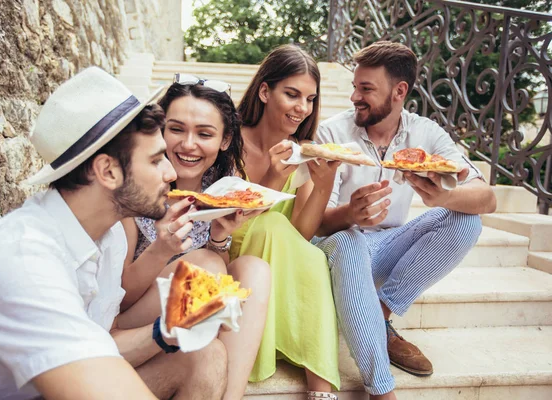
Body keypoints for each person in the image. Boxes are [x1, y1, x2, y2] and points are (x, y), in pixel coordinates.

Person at [0, 67, 228, 400]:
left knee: (206, 355)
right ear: (108, 171)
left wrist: (168, 330)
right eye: (156, 161)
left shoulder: (108, 237)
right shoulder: (21, 259)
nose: (171, 172)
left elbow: (105, 340)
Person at [314, 41, 497, 399]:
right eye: (354, 86)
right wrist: (350, 214)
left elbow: (487, 197)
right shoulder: (332, 133)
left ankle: (379, 315)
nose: (354, 96)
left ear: (399, 92)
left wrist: (444, 196)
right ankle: (381, 390)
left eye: (366, 89)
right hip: (335, 246)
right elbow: (315, 224)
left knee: (465, 219)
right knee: (349, 239)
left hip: (386, 247)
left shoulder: (425, 133)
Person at [116, 77, 272, 400]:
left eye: (204, 133)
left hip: (189, 319)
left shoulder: (224, 185)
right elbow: (121, 295)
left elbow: (218, 273)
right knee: (206, 264)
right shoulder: (138, 183)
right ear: (160, 130)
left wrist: (219, 236)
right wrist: (162, 249)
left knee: (254, 269)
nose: (188, 145)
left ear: (226, 139)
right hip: (130, 321)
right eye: (176, 129)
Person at [231, 44, 341, 400]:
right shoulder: (230, 140)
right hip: (234, 252)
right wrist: (273, 182)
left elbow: (301, 234)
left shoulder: (300, 151)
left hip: (278, 255)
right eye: (292, 94)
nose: (302, 108)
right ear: (265, 91)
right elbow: (231, 217)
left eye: (309, 99)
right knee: (271, 227)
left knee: (309, 251)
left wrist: (323, 186)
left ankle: (320, 389)